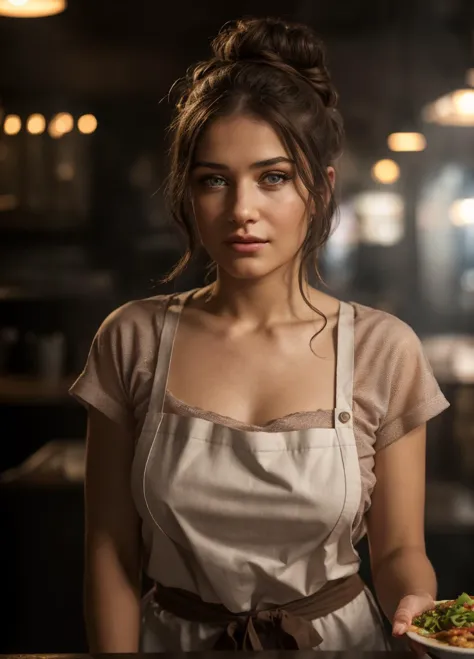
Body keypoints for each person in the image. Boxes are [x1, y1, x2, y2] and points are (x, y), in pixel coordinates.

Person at [70, 16, 450, 653]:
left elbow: (399, 550)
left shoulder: (384, 349)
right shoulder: (132, 339)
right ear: (188, 194)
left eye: (273, 177)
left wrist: (416, 605)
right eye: (214, 179)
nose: (241, 208)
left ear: (321, 191)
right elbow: (109, 548)